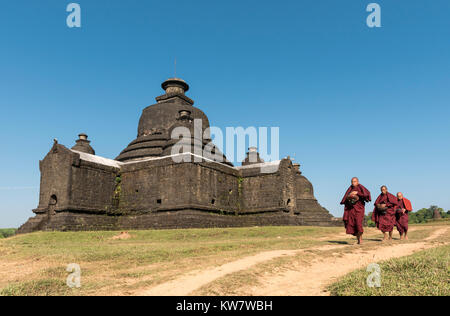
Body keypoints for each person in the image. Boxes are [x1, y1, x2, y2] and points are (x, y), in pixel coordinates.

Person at [340, 177, 371, 244]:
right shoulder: (350, 189)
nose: (353, 183)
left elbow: (366, 194)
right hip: (351, 209)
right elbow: (346, 197)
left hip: (359, 209)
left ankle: (360, 238)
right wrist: (350, 195)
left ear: (358, 182)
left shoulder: (361, 188)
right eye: (352, 182)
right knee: (353, 224)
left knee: (358, 223)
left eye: (354, 181)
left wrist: (357, 193)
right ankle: (359, 239)